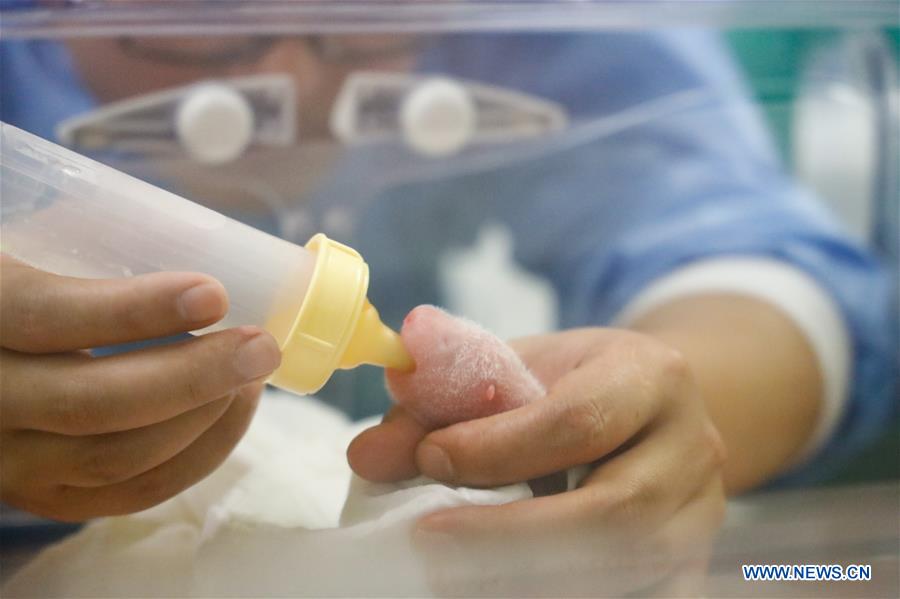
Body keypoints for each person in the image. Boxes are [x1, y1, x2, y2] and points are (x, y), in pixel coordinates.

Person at [0, 3, 896, 593]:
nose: (300, 82)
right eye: (204, 19)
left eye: (363, 19)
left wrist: (631, 427)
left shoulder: (539, 30)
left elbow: (744, 251)